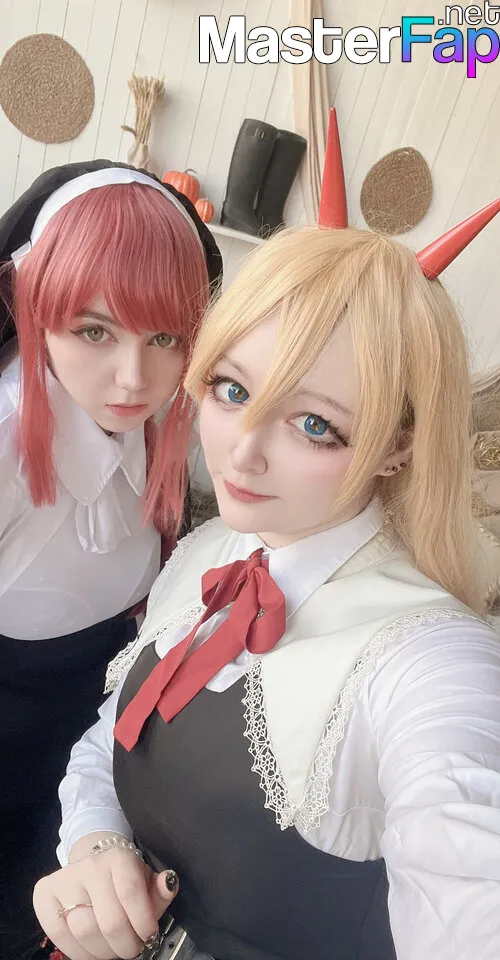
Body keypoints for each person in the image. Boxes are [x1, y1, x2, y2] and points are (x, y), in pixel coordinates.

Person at [34, 116, 500, 960]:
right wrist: (93, 848)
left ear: (396, 447)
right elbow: (111, 737)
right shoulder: (207, 553)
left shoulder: (429, 659)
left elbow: (469, 861)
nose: (241, 453)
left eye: (315, 424)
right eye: (231, 389)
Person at [0, 160, 222, 960]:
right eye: (94, 331)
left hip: (82, 739)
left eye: (165, 339)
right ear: (30, 302)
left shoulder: (164, 424)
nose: (135, 379)